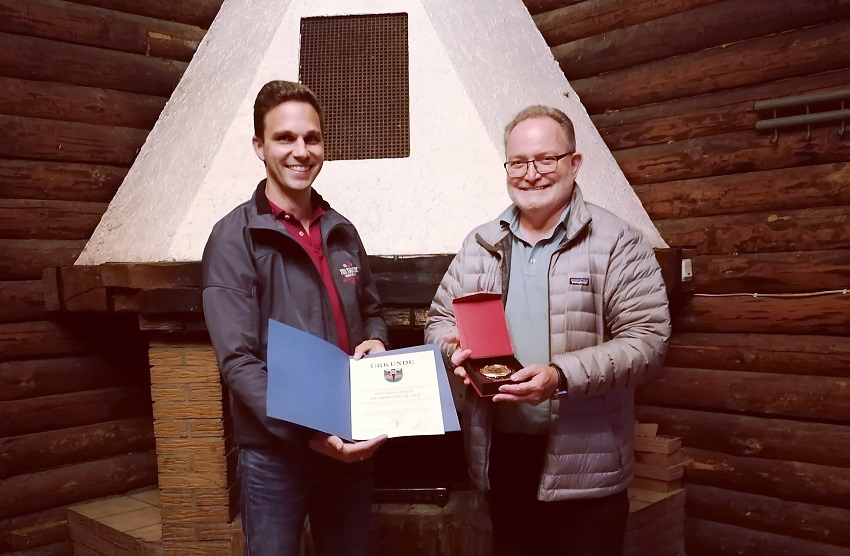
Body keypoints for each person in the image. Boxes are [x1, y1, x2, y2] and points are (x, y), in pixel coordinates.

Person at [425, 105, 671, 555]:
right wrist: (450, 350)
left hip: (586, 464)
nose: (531, 174)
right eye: (518, 162)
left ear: (573, 163)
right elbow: (439, 321)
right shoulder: (480, 243)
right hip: (501, 455)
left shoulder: (617, 241)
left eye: (546, 159)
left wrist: (560, 376)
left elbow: (648, 342)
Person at [202, 80, 389, 556]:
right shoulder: (233, 238)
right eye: (285, 138)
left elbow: (372, 311)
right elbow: (238, 362)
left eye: (312, 138)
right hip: (274, 454)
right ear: (259, 146)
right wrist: (310, 433)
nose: (301, 151)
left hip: (349, 441)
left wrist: (377, 341)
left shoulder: (341, 229)